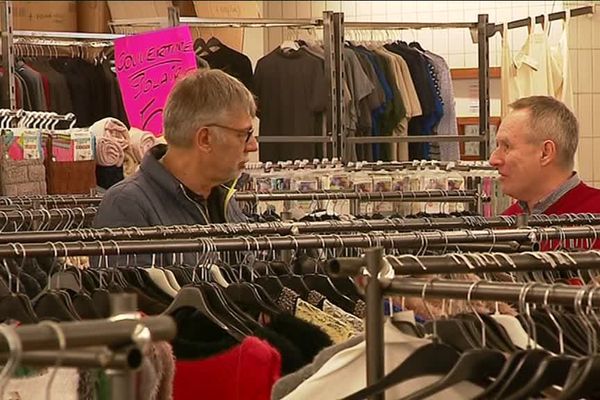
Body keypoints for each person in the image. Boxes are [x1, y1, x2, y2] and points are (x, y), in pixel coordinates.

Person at [93, 69, 257, 264]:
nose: (253, 145)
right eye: (244, 134)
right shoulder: (126, 206)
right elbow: (121, 294)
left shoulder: (222, 199)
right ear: (205, 139)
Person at [489, 95, 600, 217]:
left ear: (545, 153)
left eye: (507, 146)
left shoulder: (595, 216)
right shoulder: (505, 223)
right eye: (497, 145)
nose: (493, 160)